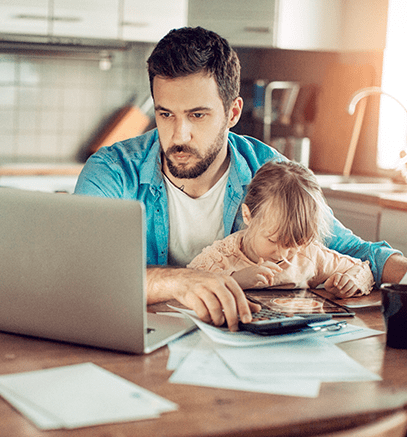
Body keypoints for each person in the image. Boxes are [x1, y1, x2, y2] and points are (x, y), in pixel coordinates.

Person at [74, 26, 407, 331]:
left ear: (232, 113)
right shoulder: (112, 170)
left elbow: (353, 251)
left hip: (240, 341)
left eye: (197, 115)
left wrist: (403, 270)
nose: (179, 135)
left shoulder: (271, 172)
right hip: (139, 340)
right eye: (165, 114)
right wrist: (182, 282)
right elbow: (85, 272)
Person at [188, 160, 374, 297]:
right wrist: (236, 279)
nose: (284, 255)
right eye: (273, 240)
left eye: (296, 243)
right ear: (248, 216)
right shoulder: (222, 257)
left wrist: (350, 282)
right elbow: (186, 285)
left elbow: (361, 268)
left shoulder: (309, 255)